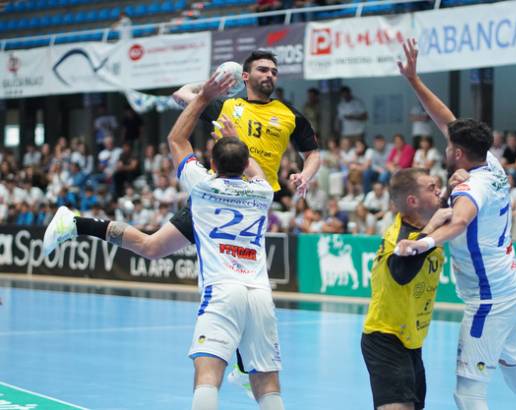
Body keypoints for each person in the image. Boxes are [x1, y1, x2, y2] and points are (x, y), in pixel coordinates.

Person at [43, 50, 319, 397]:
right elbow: (180, 96)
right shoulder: (227, 107)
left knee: (156, 248)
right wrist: (210, 87)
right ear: (246, 76)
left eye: (275, 71)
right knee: (189, 260)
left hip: (248, 199)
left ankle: (76, 224)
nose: (271, 75)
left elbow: (313, 153)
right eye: (263, 69)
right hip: (228, 195)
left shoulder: (289, 115)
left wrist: (306, 175)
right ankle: (248, 368)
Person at [396, 38, 516, 410]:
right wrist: (415, 80)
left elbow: (461, 220)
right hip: (511, 286)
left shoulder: (471, 188)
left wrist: (424, 242)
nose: (445, 147)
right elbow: (445, 118)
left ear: (458, 153)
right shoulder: (491, 163)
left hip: (489, 299)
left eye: (450, 146)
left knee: (467, 392)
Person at [165, 77, 284, 409]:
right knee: (268, 385)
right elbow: (256, 172)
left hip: (221, 290)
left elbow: (176, 139)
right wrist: (235, 139)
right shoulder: (262, 192)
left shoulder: (202, 185)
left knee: (207, 375)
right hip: (259, 293)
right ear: (244, 164)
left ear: (212, 164)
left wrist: (203, 96)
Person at [362, 168, 452, 410]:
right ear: (413, 201)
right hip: (385, 338)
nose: (439, 192)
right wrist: (429, 230)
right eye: (432, 188)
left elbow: (451, 205)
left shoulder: (429, 225)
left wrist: (457, 179)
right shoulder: (399, 236)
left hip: (411, 340)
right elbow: (401, 273)